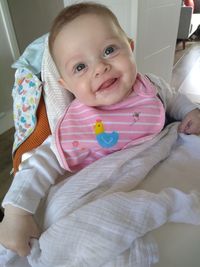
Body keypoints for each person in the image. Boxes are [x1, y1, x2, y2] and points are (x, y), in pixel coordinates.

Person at [0, 2, 200, 258]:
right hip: (104, 188)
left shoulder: (149, 87)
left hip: (157, 165)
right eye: (80, 67)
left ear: (129, 47)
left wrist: (189, 112)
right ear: (67, 84)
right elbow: (38, 164)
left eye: (109, 50)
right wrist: (17, 211)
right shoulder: (76, 125)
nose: (100, 67)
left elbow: (173, 98)